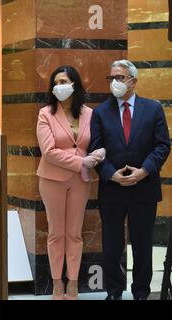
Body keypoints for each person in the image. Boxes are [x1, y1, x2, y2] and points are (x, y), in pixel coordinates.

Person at [89, 59, 170, 300]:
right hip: (112, 190)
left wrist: (143, 171)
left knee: (143, 246)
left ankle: (141, 293)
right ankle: (113, 293)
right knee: (112, 247)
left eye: (120, 78)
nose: (114, 82)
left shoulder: (153, 109)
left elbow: (163, 146)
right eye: (111, 78)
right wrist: (111, 174)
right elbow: (95, 148)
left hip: (143, 188)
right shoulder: (101, 112)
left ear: (133, 81)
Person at [36, 66, 105, 300]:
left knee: (74, 234)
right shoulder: (46, 113)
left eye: (64, 81)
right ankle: (57, 283)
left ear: (74, 84)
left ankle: (73, 283)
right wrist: (82, 162)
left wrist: (98, 154)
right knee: (56, 233)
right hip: (52, 179)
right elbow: (48, 151)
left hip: (80, 181)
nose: (59, 86)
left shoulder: (89, 114)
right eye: (56, 82)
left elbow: (93, 143)